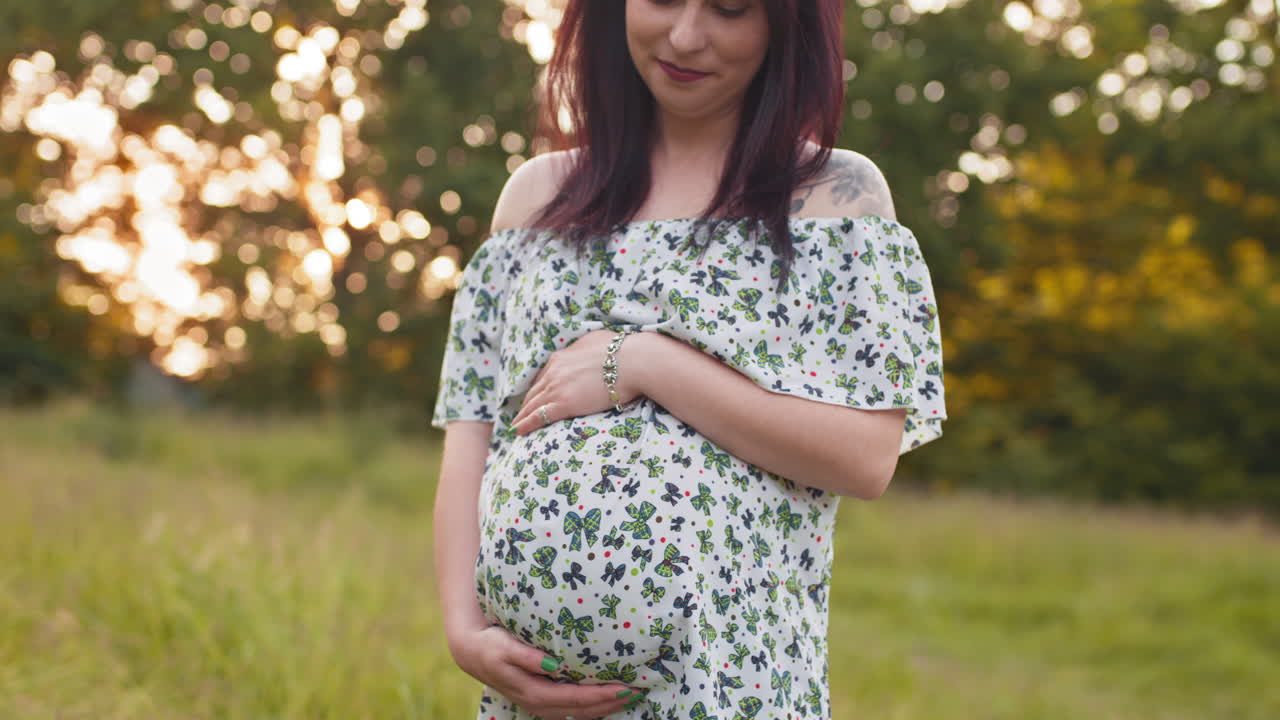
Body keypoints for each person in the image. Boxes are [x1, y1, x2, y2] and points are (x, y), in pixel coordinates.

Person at [431, 1, 946, 718]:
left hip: (732, 686)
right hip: (537, 699)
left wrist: (643, 364)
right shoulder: (534, 201)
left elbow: (866, 458)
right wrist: (464, 633)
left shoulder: (837, 201)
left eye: (731, 8)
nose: (684, 36)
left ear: (785, 25)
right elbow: (472, 439)